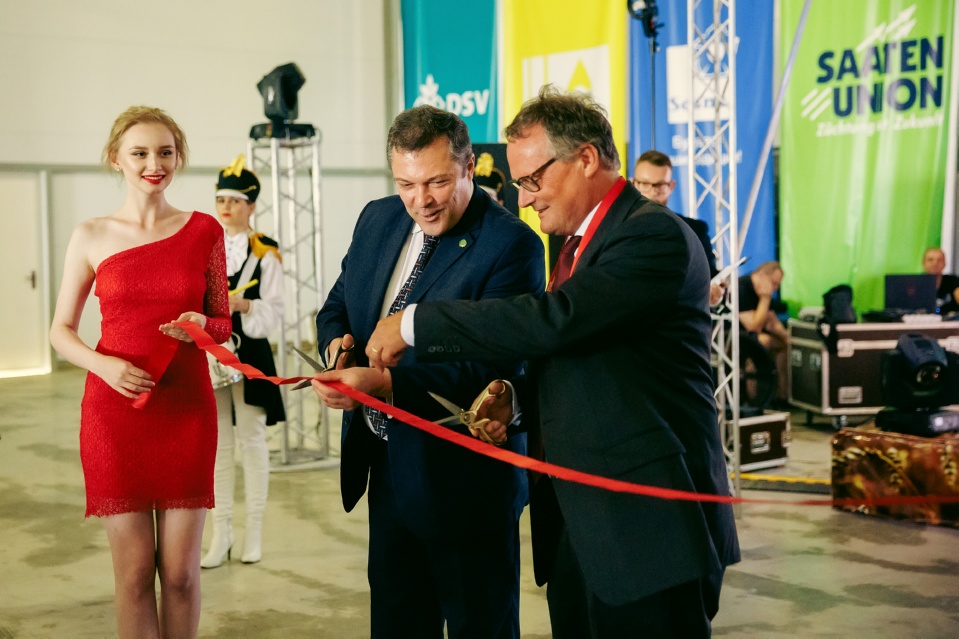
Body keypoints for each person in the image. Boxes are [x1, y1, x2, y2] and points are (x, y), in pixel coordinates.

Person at [366, 86, 740, 638]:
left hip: (649, 531)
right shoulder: (576, 244)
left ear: (585, 158)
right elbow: (580, 354)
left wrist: (416, 322)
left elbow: (557, 319)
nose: (524, 199)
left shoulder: (651, 235)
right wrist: (515, 400)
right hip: (583, 524)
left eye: (532, 181)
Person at [310, 104, 544, 638]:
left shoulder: (511, 245)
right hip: (388, 467)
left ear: (469, 168)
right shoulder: (377, 219)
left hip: (465, 486)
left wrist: (385, 385)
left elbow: (492, 368)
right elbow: (338, 305)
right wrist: (337, 350)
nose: (421, 200)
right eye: (406, 184)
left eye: (437, 182)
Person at [49, 106, 231, 639]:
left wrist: (202, 325)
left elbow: (222, 323)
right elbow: (60, 330)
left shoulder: (204, 231)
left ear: (179, 157)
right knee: (132, 577)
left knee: (180, 576)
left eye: (166, 152)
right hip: (114, 413)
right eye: (141, 153)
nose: (155, 164)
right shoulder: (91, 234)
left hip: (186, 409)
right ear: (116, 160)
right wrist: (103, 364)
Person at [201, 156, 285, 569]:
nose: (226, 207)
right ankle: (221, 534)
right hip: (211, 350)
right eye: (221, 199)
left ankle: (253, 532)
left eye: (235, 200)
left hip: (250, 350)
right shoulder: (204, 247)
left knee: (251, 439)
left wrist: (245, 304)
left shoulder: (264, 251)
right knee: (218, 443)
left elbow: (276, 311)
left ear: (251, 205)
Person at [633, 150, 725, 306]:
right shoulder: (616, 228)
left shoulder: (695, 230)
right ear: (633, 184)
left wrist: (716, 288)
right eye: (645, 184)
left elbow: (711, 276)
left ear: (671, 186)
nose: (653, 192)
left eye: (660, 185)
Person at [738, 261, 789, 405]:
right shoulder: (740, 289)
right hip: (735, 338)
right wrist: (765, 299)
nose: (775, 288)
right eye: (773, 283)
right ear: (761, 275)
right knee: (763, 341)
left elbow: (771, 320)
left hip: (751, 337)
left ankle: (781, 396)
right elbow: (753, 327)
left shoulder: (761, 293)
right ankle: (754, 398)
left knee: (785, 344)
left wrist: (786, 337)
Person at [921, 246, 959, 314]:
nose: (935, 263)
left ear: (944, 263)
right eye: (930, 260)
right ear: (923, 263)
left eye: (939, 260)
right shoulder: (915, 283)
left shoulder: (953, 281)